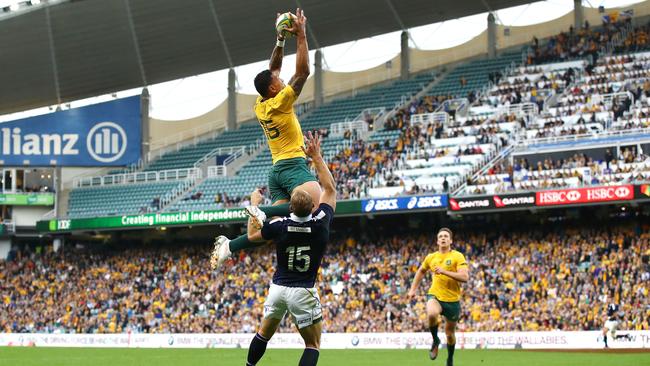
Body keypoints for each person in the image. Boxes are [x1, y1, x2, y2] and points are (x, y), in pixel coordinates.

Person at [212, 132, 336, 366]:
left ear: (290, 208)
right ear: (312, 205)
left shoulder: (280, 225)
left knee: (263, 334)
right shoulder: (321, 222)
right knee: (312, 345)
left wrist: (255, 206)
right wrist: (317, 157)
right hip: (303, 290)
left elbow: (251, 235)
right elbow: (329, 189)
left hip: (278, 288)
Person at [213, 8, 322, 261]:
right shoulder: (280, 101)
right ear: (274, 89)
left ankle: (229, 247)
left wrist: (281, 40)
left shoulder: (261, 103)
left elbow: (271, 70)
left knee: (269, 231)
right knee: (315, 204)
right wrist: (302, 36)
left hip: (276, 172)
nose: (282, 80)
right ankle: (258, 209)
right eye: (279, 81)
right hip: (293, 165)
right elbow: (303, 73)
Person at [408, 228, 469, 366]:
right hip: (435, 295)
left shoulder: (457, 256)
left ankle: (450, 358)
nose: (443, 238)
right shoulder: (431, 257)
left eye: (446, 236)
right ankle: (435, 340)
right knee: (431, 313)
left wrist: (444, 271)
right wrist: (413, 290)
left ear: (451, 240)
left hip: (452, 301)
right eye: (440, 236)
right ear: (437, 241)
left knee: (450, 334)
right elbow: (421, 271)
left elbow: (464, 277)